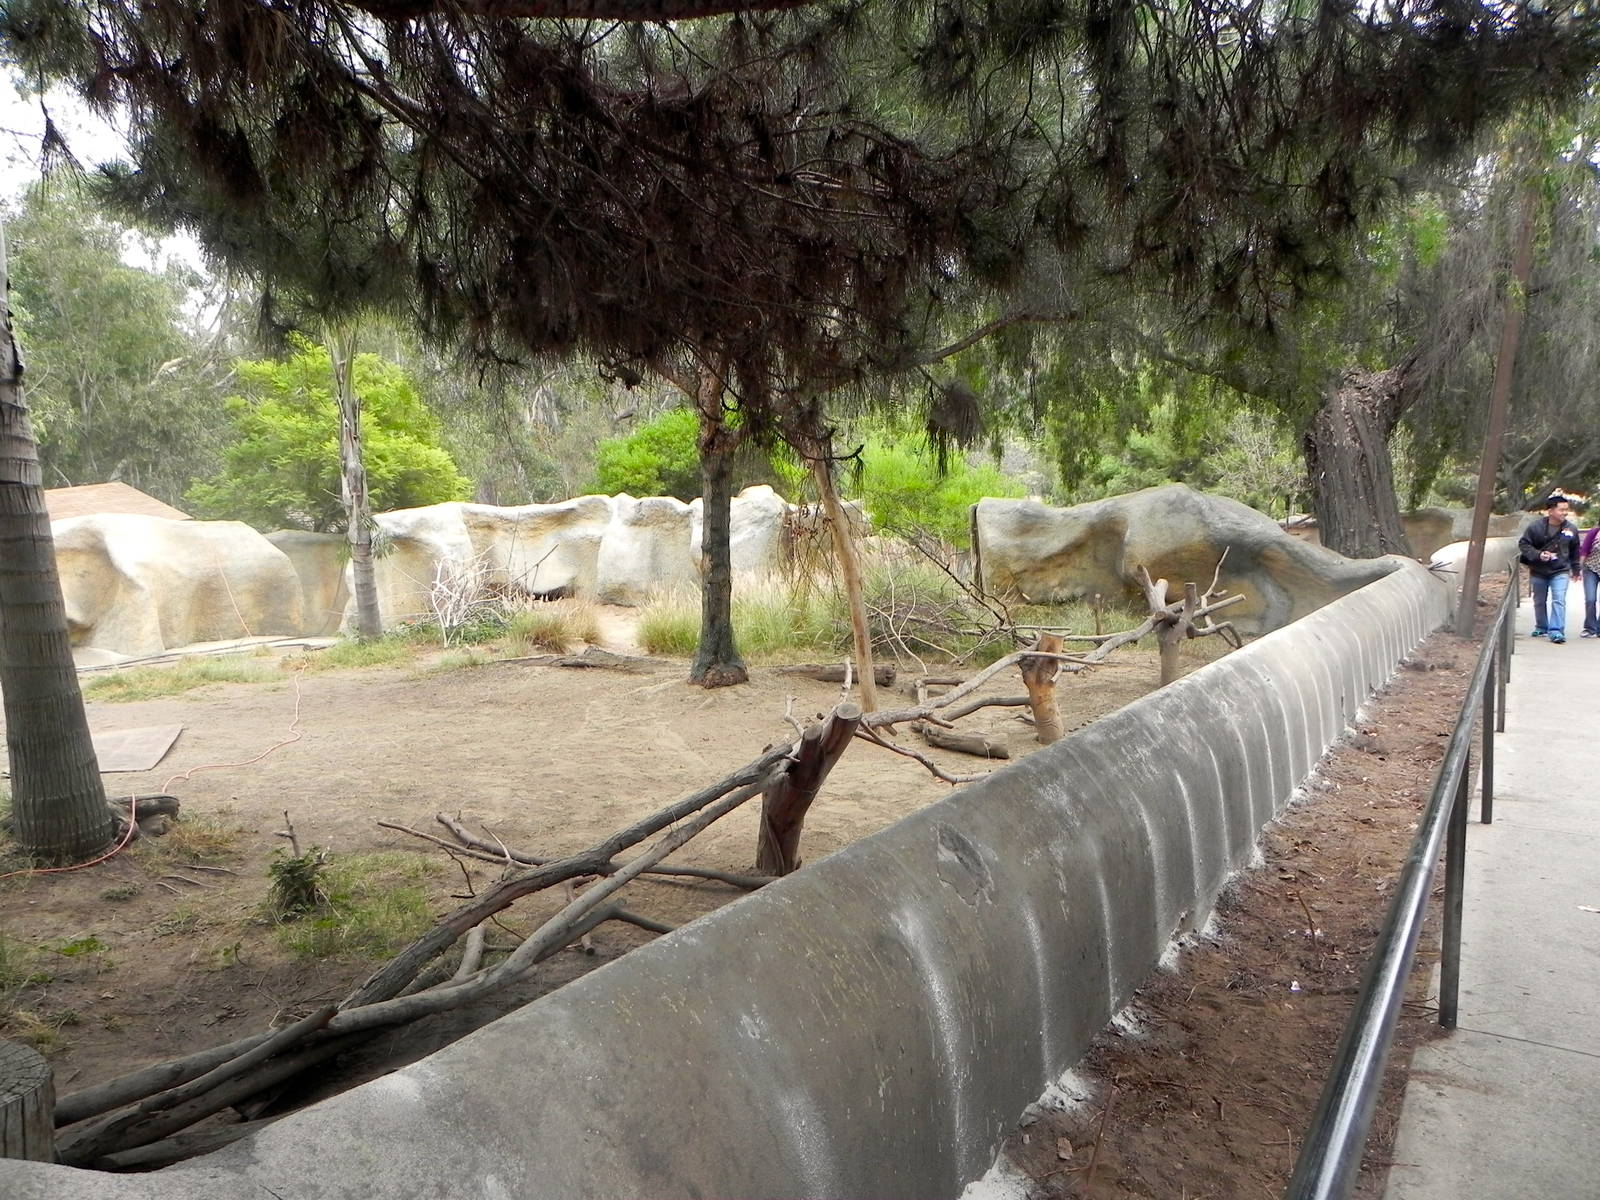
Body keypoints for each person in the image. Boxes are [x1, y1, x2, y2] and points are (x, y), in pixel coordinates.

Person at [1519, 492, 1582, 643]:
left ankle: (1556, 630)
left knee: (1559, 599)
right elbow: (1524, 544)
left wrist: (1576, 570)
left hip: (1560, 569)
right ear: (1551, 511)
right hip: (1539, 570)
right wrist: (1538, 554)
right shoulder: (1536, 527)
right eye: (1561, 509)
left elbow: (1575, 550)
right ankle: (1541, 626)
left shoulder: (1571, 529)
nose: (1565, 513)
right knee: (1539, 600)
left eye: (1566, 509)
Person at [1582, 520, 1600, 637]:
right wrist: (1578, 569)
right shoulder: (1595, 532)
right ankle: (1590, 628)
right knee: (1590, 599)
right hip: (1591, 568)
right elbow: (1584, 550)